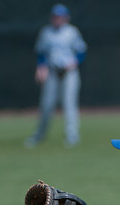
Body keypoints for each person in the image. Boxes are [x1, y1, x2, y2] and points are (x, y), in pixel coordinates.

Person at [24, 4, 87, 148]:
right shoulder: (46, 32)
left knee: (69, 104)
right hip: (52, 71)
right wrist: (41, 67)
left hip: (68, 72)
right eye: (55, 16)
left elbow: (82, 51)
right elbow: (41, 53)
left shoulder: (72, 31)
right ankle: (39, 135)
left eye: (60, 16)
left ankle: (72, 136)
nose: (58, 19)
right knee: (46, 105)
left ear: (66, 17)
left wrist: (74, 62)